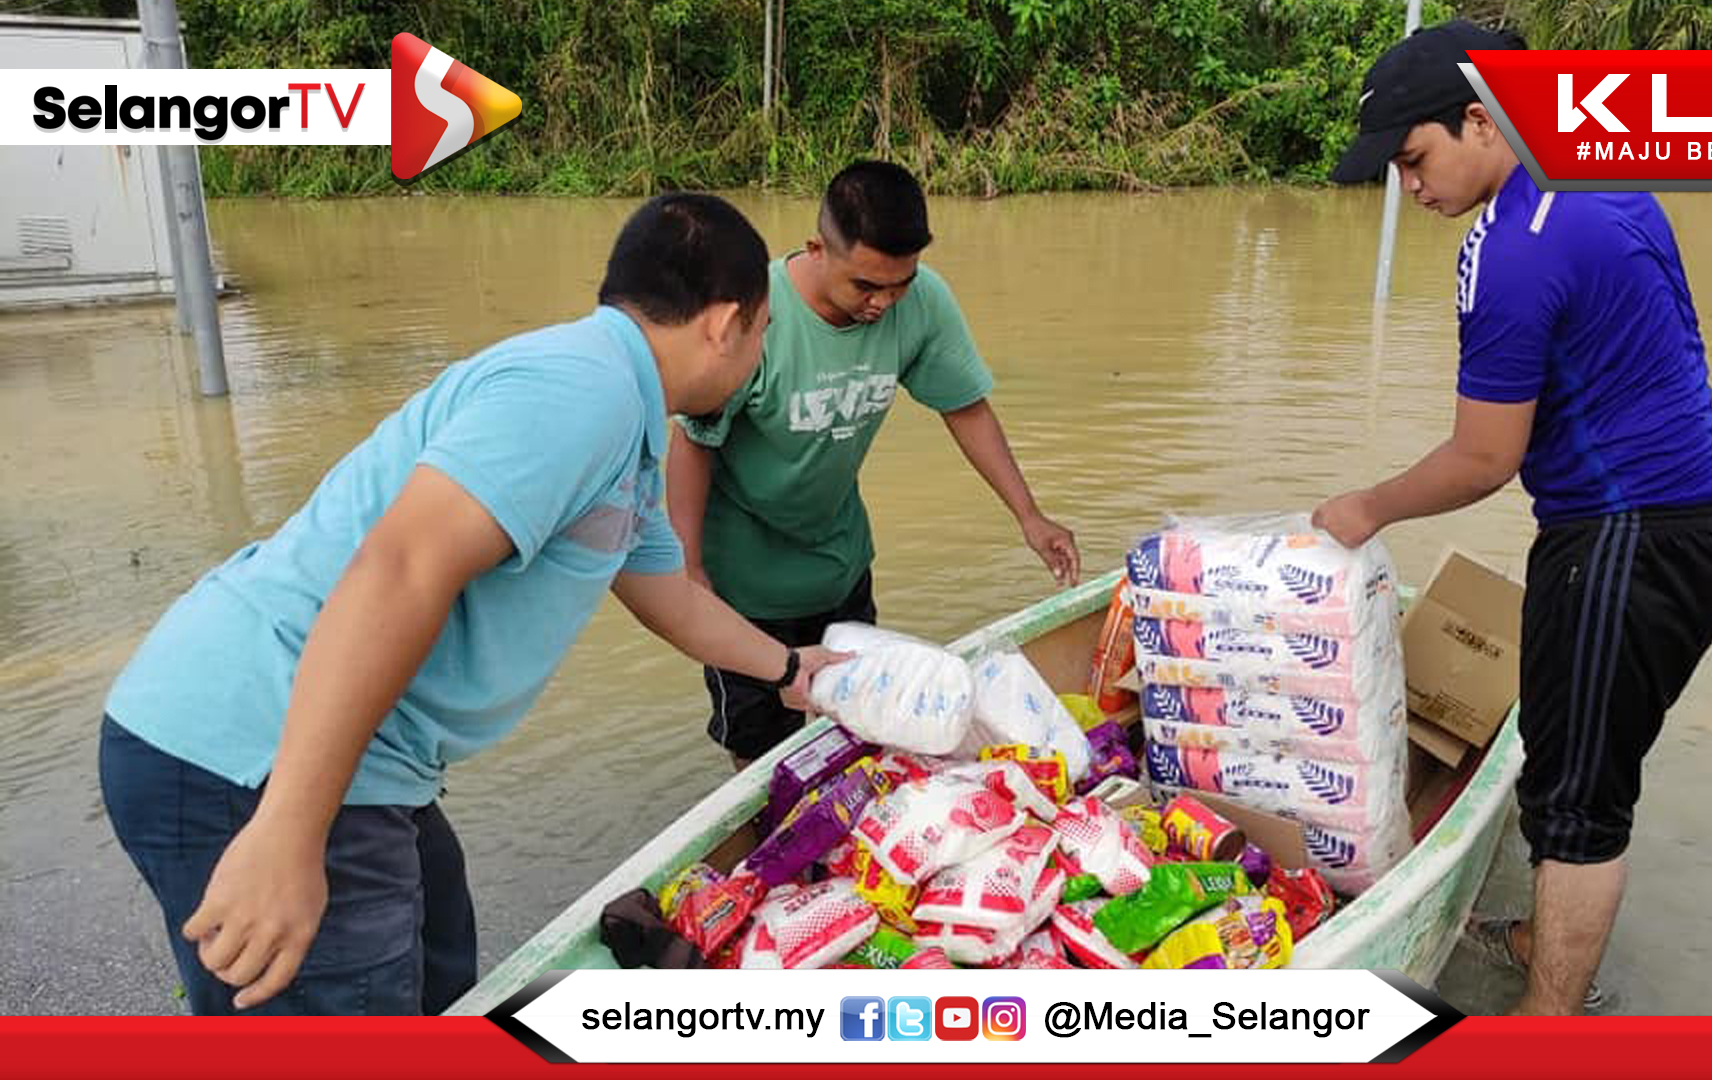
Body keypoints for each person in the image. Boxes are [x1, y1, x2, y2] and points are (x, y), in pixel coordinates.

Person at [97, 193, 844, 1015]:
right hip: (250, 750)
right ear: (725, 322)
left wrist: (790, 669)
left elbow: (669, 595)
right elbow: (402, 568)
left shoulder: (621, 414)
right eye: (766, 331)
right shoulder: (580, 391)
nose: (763, 351)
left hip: (361, 759)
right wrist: (288, 832)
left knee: (443, 973)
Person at [1314, 20, 1712, 1015]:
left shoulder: (1511, 248)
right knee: (1581, 756)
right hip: (1702, 521)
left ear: (1480, 118)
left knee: (1575, 806)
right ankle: (1536, 940)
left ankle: (1548, 1024)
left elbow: (1484, 457)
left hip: (1626, 536)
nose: (1412, 188)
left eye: (1415, 159)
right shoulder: (1605, 184)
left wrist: (1363, 507)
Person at [668, 160, 1081, 767]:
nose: (883, 302)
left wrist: (1030, 516)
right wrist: (690, 572)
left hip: (840, 569)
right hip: (743, 594)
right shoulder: (754, 315)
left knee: (861, 741)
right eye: (865, 285)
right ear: (816, 249)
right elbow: (695, 440)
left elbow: (964, 407)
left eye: (900, 282)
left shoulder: (923, 304)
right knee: (762, 756)